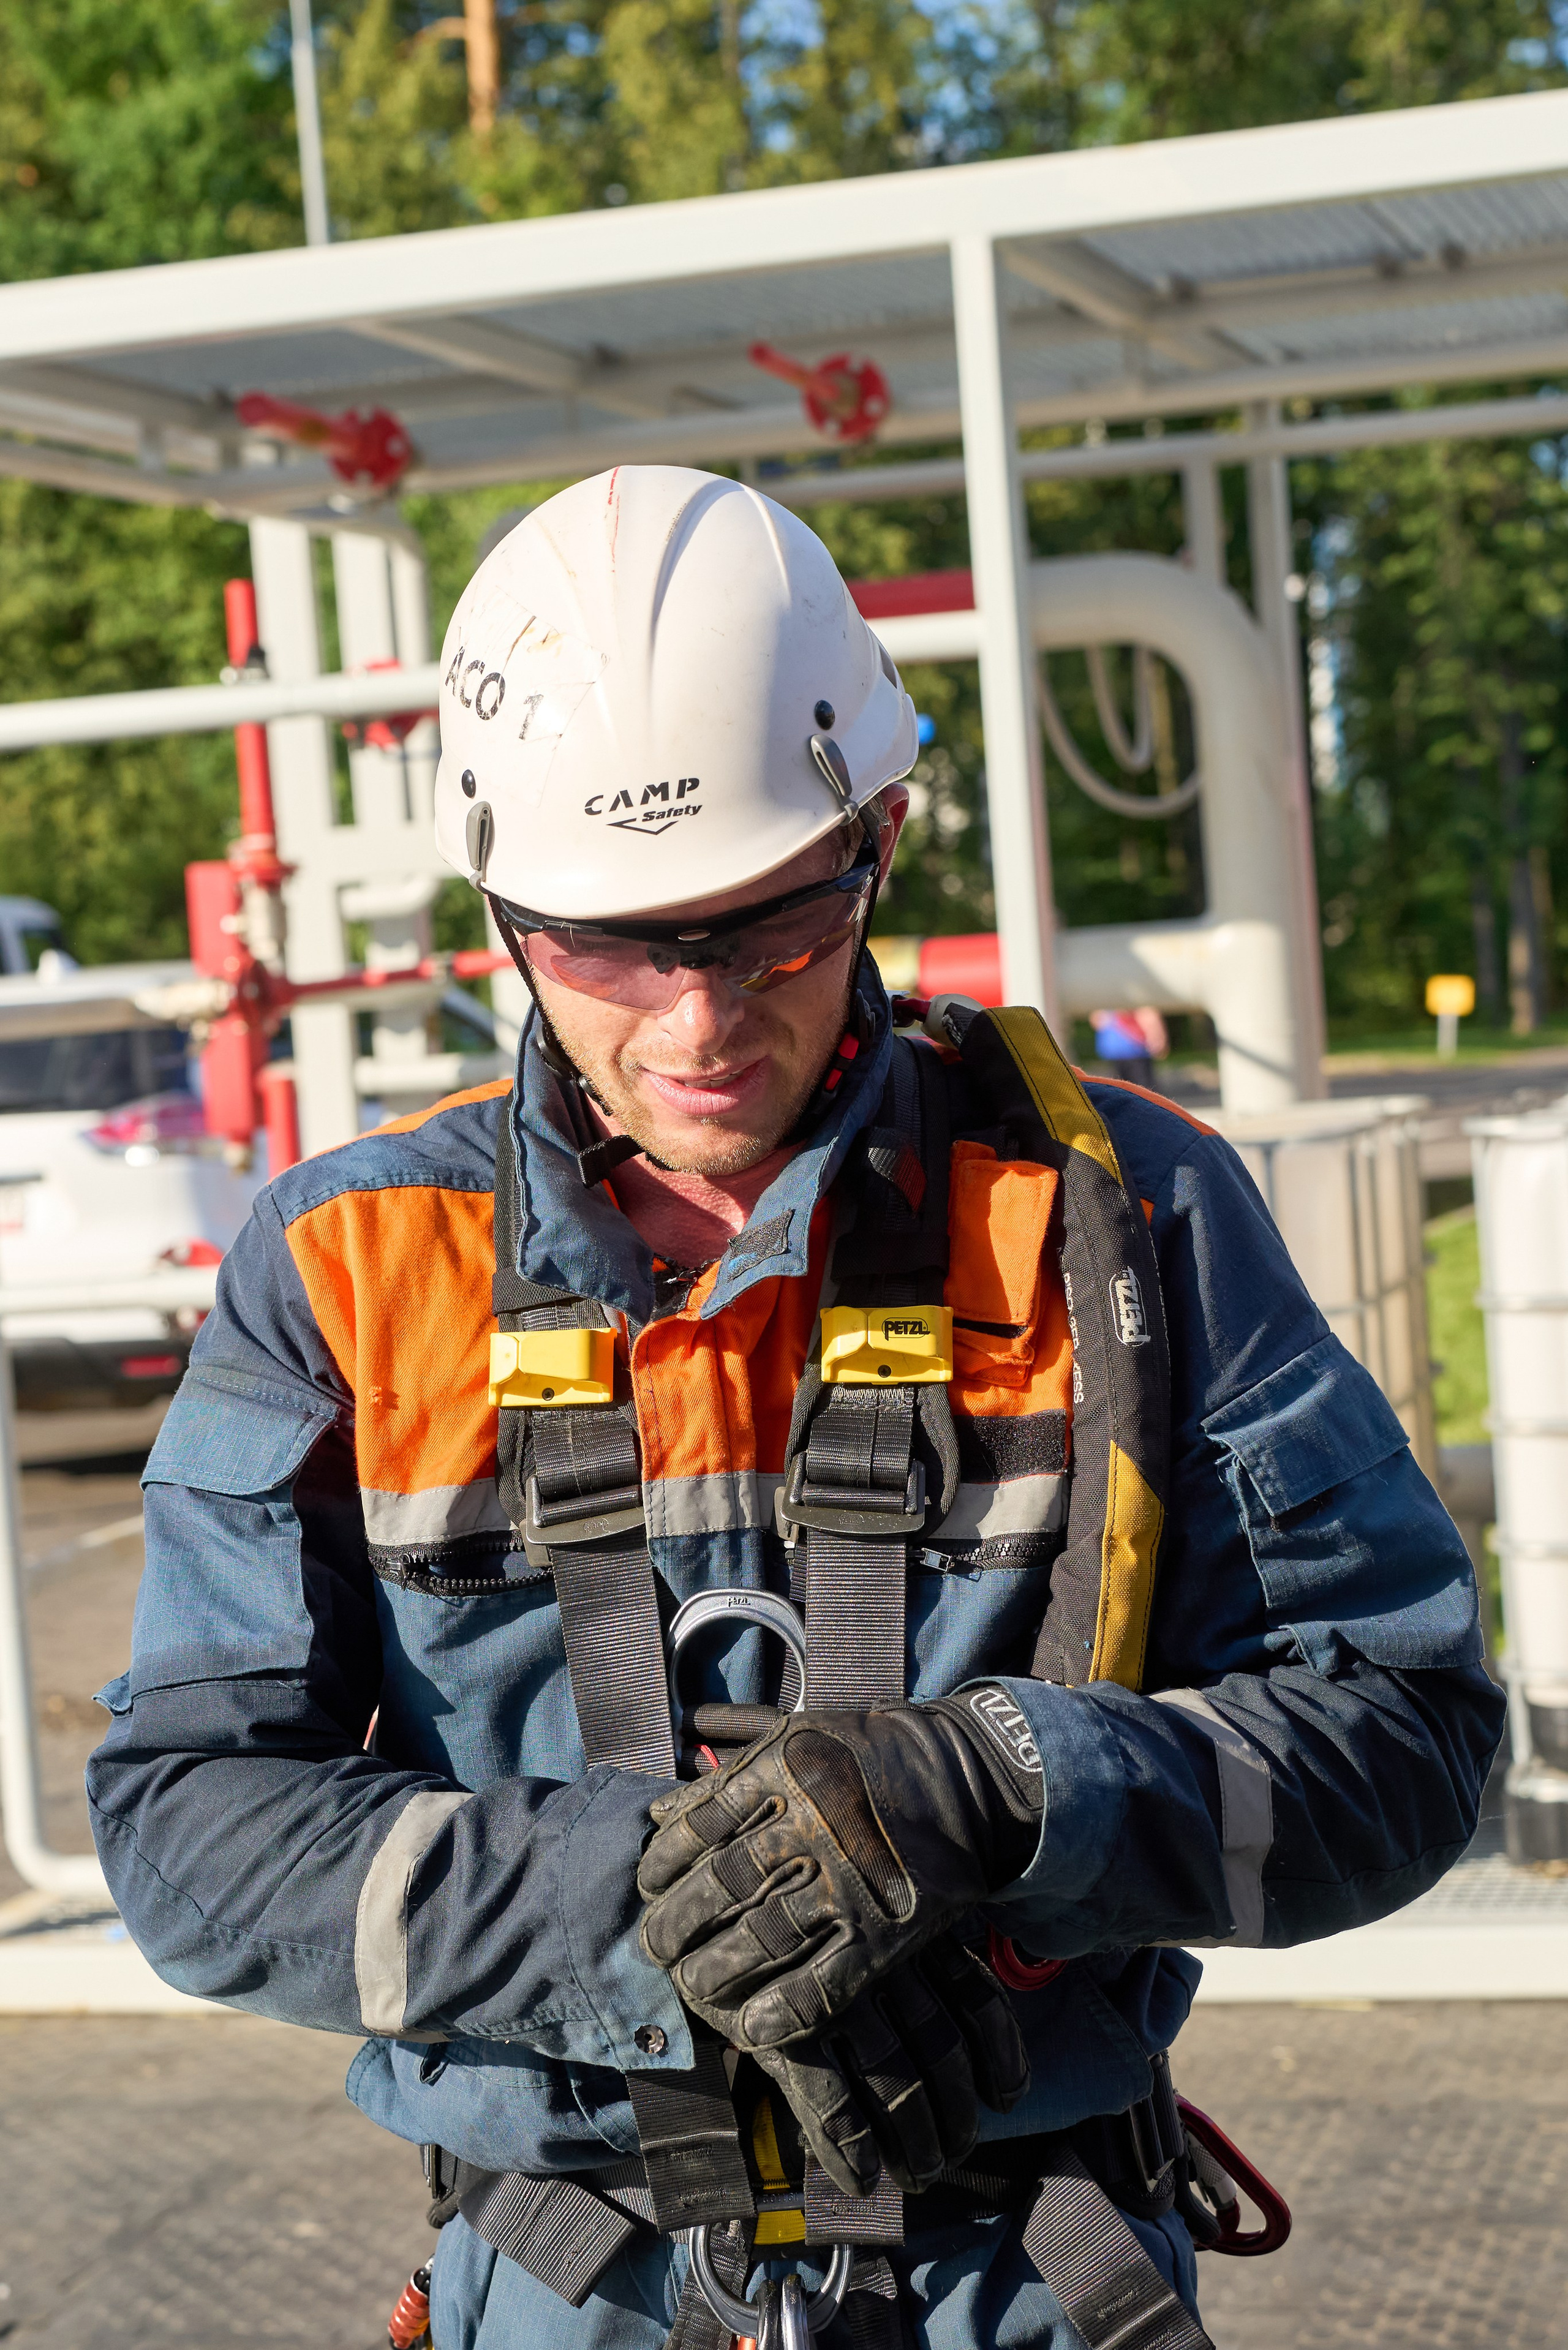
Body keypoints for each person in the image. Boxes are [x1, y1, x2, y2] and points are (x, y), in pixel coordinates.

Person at [89, 467, 1502, 2350]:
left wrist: (993, 1795)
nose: (692, 1023)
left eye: (764, 926)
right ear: (499, 908)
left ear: (880, 837)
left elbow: (1406, 1735)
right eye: (605, 945)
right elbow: (188, 1827)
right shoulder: (350, 1269)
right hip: (569, 2275)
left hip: (1024, 2281)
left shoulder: (1115, 1225)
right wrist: (643, 1904)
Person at [1088, 1007, 1167, 1095]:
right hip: (1120, 1053)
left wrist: (1156, 1037)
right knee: (1133, 1091)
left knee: (1144, 1091)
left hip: (1135, 1052)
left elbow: (1147, 1015)